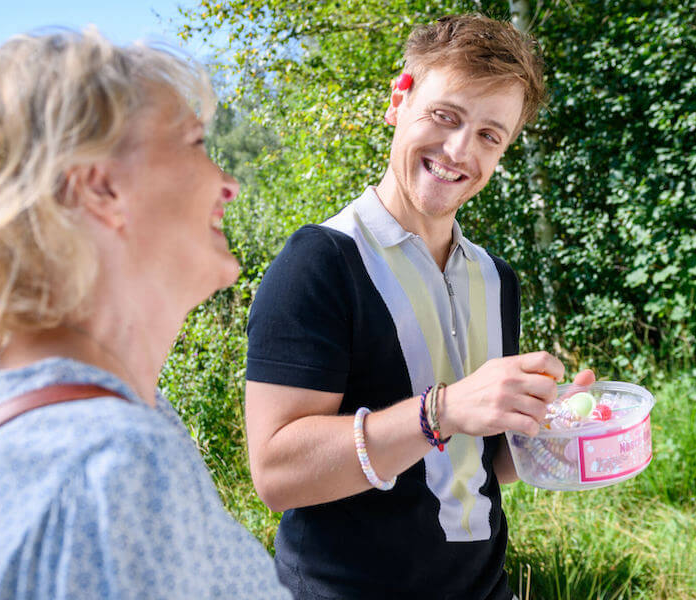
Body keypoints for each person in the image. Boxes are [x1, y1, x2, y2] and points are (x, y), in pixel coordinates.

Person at [0, 28, 291, 599]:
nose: (227, 184)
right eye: (196, 142)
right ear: (100, 188)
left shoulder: (37, 414)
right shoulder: (113, 466)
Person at [245, 13, 595, 600]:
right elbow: (277, 475)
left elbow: (481, 463)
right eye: (445, 116)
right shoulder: (320, 262)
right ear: (398, 100)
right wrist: (444, 411)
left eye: (489, 135)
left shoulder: (495, 278)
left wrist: (552, 429)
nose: (460, 150)